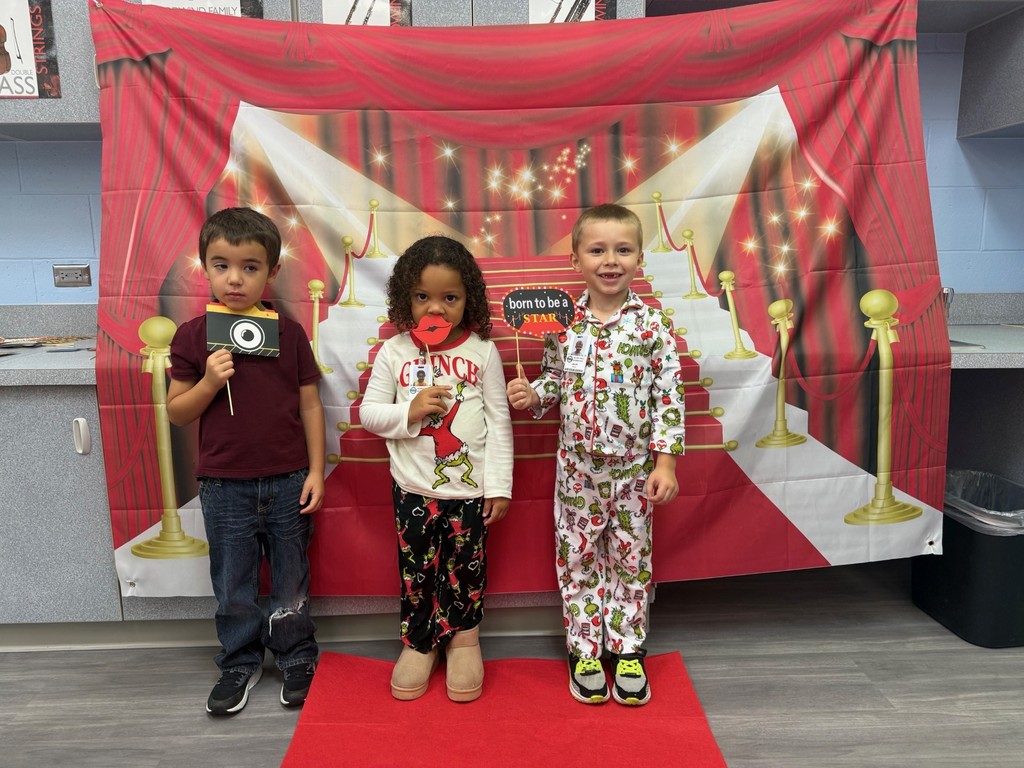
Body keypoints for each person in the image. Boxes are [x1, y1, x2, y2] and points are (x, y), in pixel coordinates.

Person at [506, 203, 685, 706]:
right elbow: (554, 381)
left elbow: (668, 395)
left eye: (623, 250)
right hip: (578, 473)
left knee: (631, 559)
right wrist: (534, 394)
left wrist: (665, 461)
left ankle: (628, 649)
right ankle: (585, 649)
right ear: (576, 257)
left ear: (640, 257)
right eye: (598, 249)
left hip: (634, 472)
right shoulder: (563, 324)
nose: (611, 260)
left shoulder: (653, 326)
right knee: (578, 558)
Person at [167, 207, 325, 716]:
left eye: (250, 266)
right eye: (221, 265)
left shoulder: (290, 334)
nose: (235, 278)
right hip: (224, 484)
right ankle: (239, 659)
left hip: (287, 479)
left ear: (272, 271)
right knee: (232, 580)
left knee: (290, 576)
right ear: (204, 267)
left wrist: (317, 471)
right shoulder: (192, 336)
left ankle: (296, 653)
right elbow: (176, 412)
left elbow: (309, 404)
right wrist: (211, 382)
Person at [359, 235, 513, 703]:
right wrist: (409, 410)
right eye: (424, 296)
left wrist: (500, 486)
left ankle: (464, 637)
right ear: (406, 297)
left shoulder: (484, 352)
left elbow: (500, 422)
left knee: (467, 569)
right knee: (417, 569)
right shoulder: (395, 353)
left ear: (469, 299)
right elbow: (369, 415)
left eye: (450, 298)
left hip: (469, 491)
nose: (437, 309)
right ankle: (420, 641)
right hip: (412, 488)